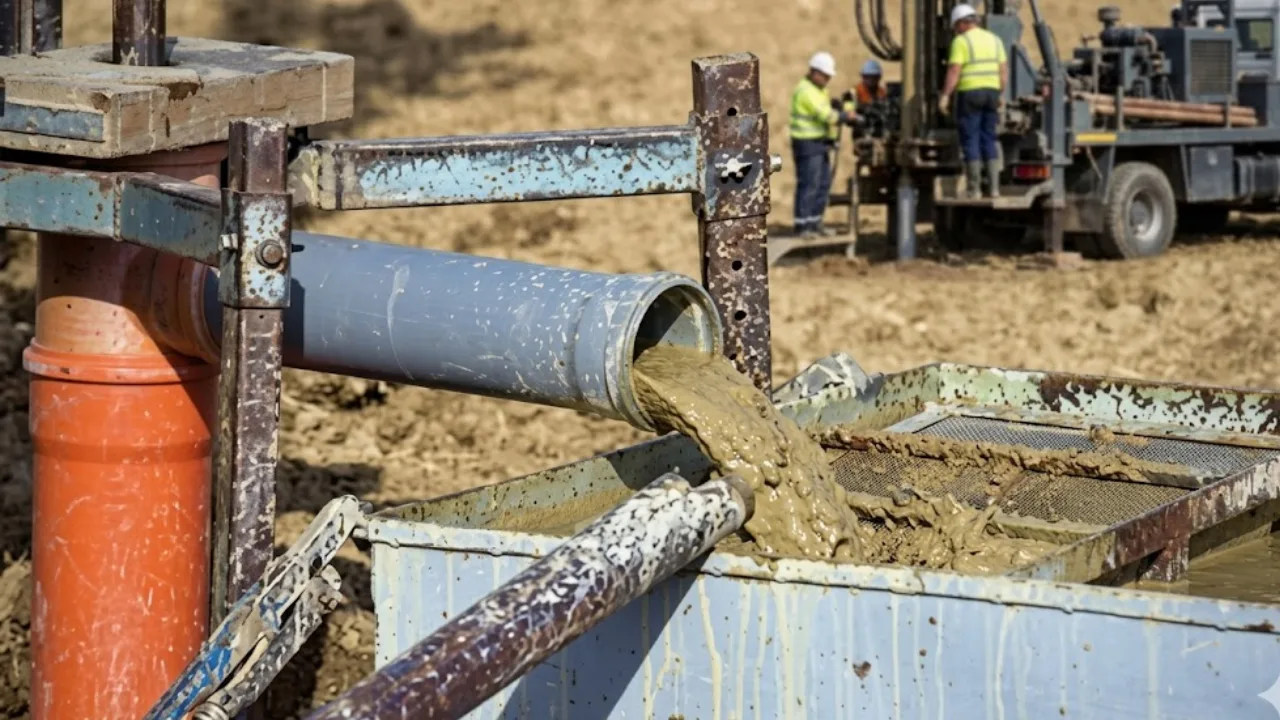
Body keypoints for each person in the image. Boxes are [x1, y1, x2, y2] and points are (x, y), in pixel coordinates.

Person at [939, 4, 1008, 199]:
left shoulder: (961, 41)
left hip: (970, 95)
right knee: (989, 138)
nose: (955, 30)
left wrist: (946, 95)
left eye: (956, 26)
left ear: (962, 23)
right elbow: (1003, 70)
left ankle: (974, 189)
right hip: (992, 93)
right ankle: (994, 188)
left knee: (971, 139)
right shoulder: (995, 39)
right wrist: (1000, 93)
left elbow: (954, 70)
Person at [789, 51, 856, 236]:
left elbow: (826, 110)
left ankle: (815, 222)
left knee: (823, 183)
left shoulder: (819, 90)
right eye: (825, 76)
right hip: (807, 144)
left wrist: (841, 106)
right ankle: (803, 225)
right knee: (809, 184)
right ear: (814, 72)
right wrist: (844, 115)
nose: (828, 80)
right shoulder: (806, 91)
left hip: (819, 144)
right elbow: (825, 115)